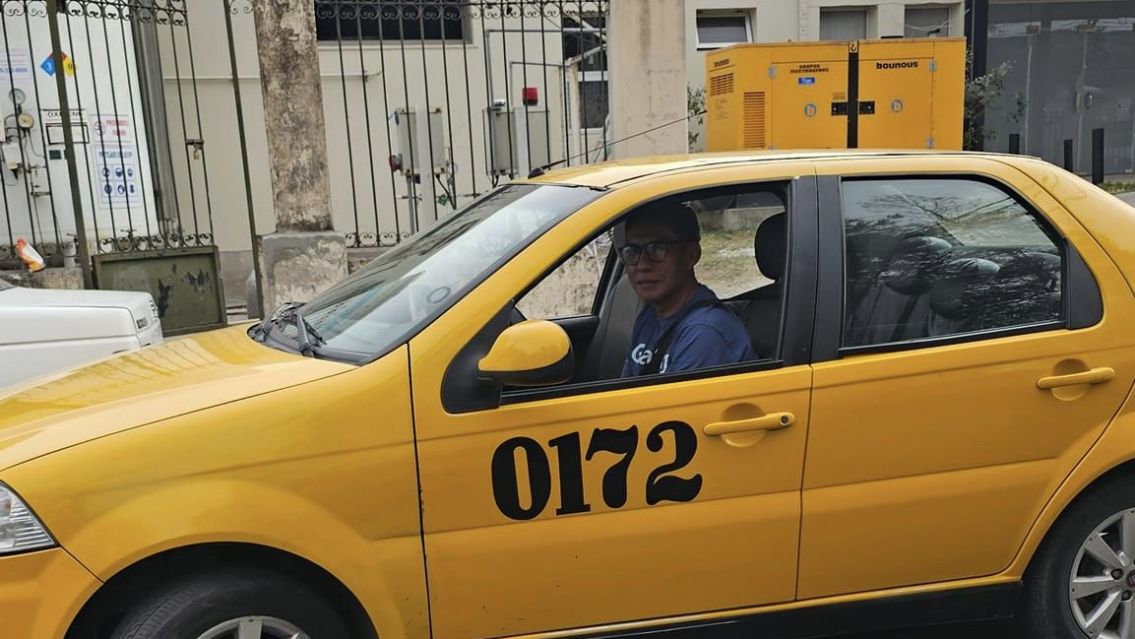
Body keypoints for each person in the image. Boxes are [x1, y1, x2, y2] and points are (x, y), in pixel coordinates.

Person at [618, 202, 755, 377]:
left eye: (658, 248)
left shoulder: (705, 333)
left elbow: (667, 404)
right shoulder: (648, 317)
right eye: (633, 251)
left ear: (692, 254)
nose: (643, 264)